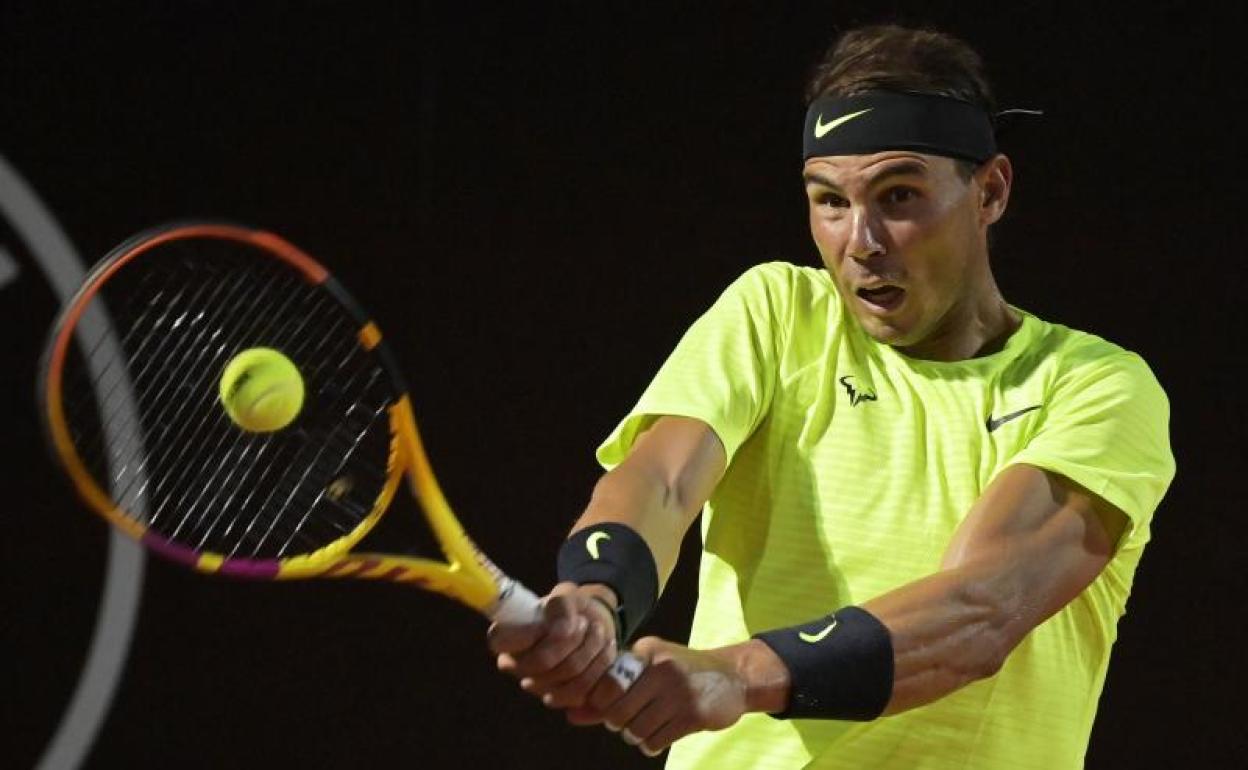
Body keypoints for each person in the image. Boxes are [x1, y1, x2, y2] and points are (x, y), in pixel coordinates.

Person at [487, 23, 1174, 770]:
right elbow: (661, 480)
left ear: (991, 191)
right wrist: (597, 596)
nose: (862, 241)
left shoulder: (1097, 387)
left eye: (899, 196)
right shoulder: (776, 313)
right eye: (830, 201)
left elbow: (978, 612)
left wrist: (739, 674)